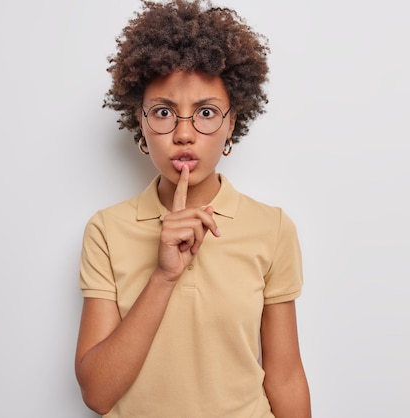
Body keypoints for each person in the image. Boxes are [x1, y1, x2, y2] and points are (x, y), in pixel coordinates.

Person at [74, 1, 311, 416]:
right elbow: (97, 393)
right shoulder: (107, 230)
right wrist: (164, 276)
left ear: (232, 123)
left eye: (205, 113)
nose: (184, 134)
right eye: (164, 112)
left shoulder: (271, 228)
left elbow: (286, 375)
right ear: (141, 122)